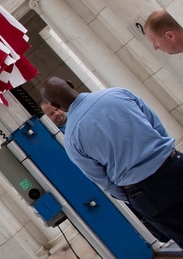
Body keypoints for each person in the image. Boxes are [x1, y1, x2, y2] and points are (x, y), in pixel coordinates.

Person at [40, 75, 183, 246]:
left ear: (55, 105)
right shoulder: (118, 94)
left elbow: (102, 180)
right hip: (173, 167)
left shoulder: (71, 139)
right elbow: (156, 126)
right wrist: (167, 154)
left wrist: (132, 194)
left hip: (144, 192)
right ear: (70, 83)